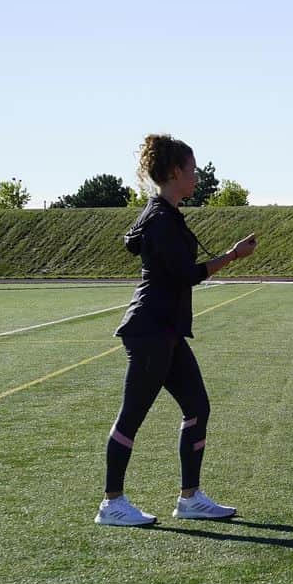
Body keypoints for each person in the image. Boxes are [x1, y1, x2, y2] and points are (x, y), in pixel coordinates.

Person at [95, 134, 259, 527]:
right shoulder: (160, 220)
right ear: (173, 172)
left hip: (165, 328)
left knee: (197, 407)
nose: (197, 176)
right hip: (150, 328)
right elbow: (189, 274)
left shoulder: (163, 214)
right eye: (192, 169)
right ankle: (111, 502)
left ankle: (190, 498)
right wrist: (233, 256)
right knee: (132, 414)